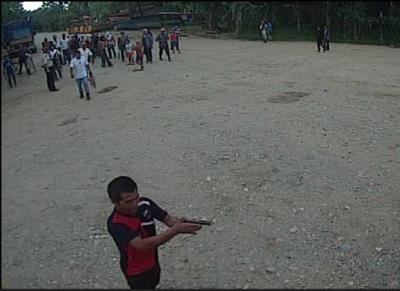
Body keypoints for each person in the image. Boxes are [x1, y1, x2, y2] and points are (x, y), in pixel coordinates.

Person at [106, 176, 202, 289]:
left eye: (136, 197)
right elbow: (141, 245)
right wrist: (175, 230)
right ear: (114, 202)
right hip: (136, 270)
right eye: (129, 201)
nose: (135, 203)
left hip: (153, 261)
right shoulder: (116, 223)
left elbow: (169, 220)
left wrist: (184, 223)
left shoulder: (145, 204)